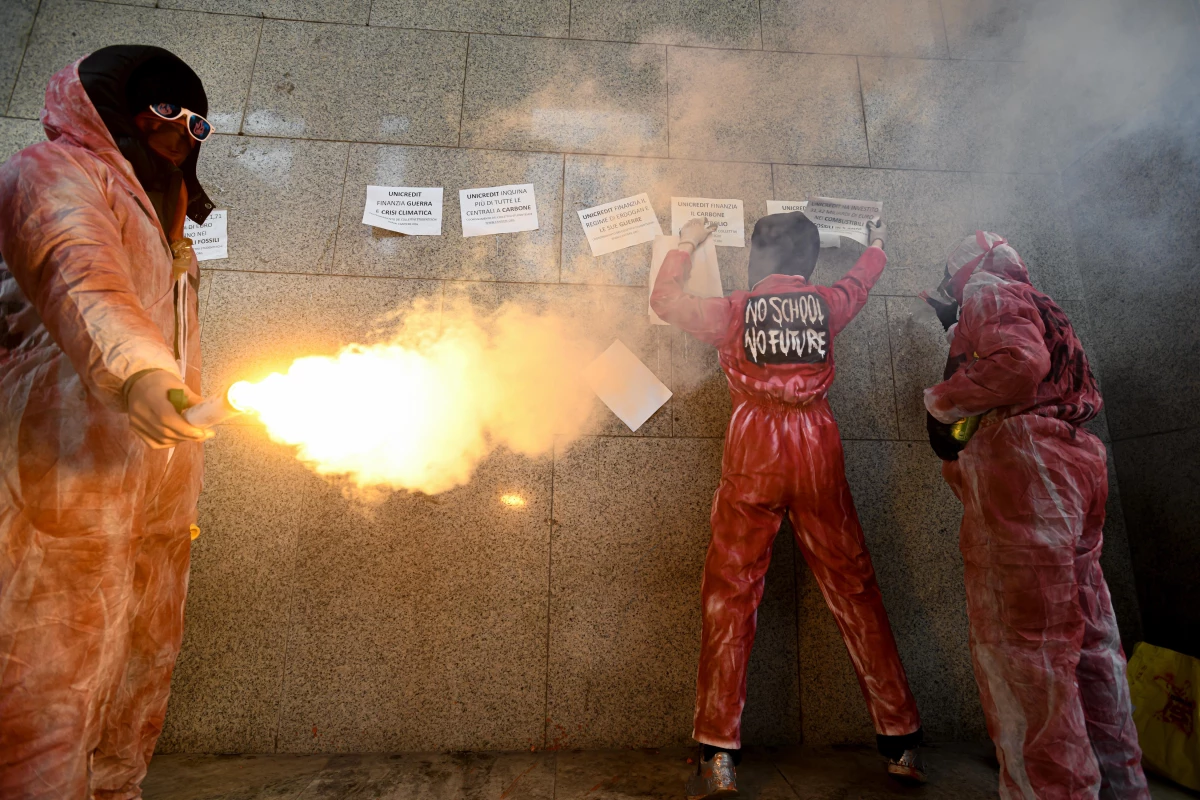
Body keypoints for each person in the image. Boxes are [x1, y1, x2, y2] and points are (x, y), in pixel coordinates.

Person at [0, 46, 217, 798]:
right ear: (113, 107)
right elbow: (77, 268)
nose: (183, 133)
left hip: (153, 496)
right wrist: (140, 373)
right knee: (44, 699)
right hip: (58, 484)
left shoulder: (174, 233)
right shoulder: (52, 172)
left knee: (135, 681)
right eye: (166, 111)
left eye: (198, 122)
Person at [652, 213, 926, 799]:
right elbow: (862, 281)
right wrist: (878, 243)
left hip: (754, 445)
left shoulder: (735, 309)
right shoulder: (827, 304)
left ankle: (718, 751)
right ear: (807, 258)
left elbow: (666, 300)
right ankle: (900, 740)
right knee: (853, 587)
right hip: (817, 445)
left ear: (759, 259)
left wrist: (686, 243)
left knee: (731, 591)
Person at [922, 231, 1149, 799]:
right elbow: (1034, 359)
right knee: (1093, 643)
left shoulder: (985, 287)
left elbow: (1019, 363)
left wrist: (943, 399)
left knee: (1026, 652)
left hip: (1028, 473)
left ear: (963, 270)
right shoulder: (1043, 303)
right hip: (1076, 463)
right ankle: (1124, 786)